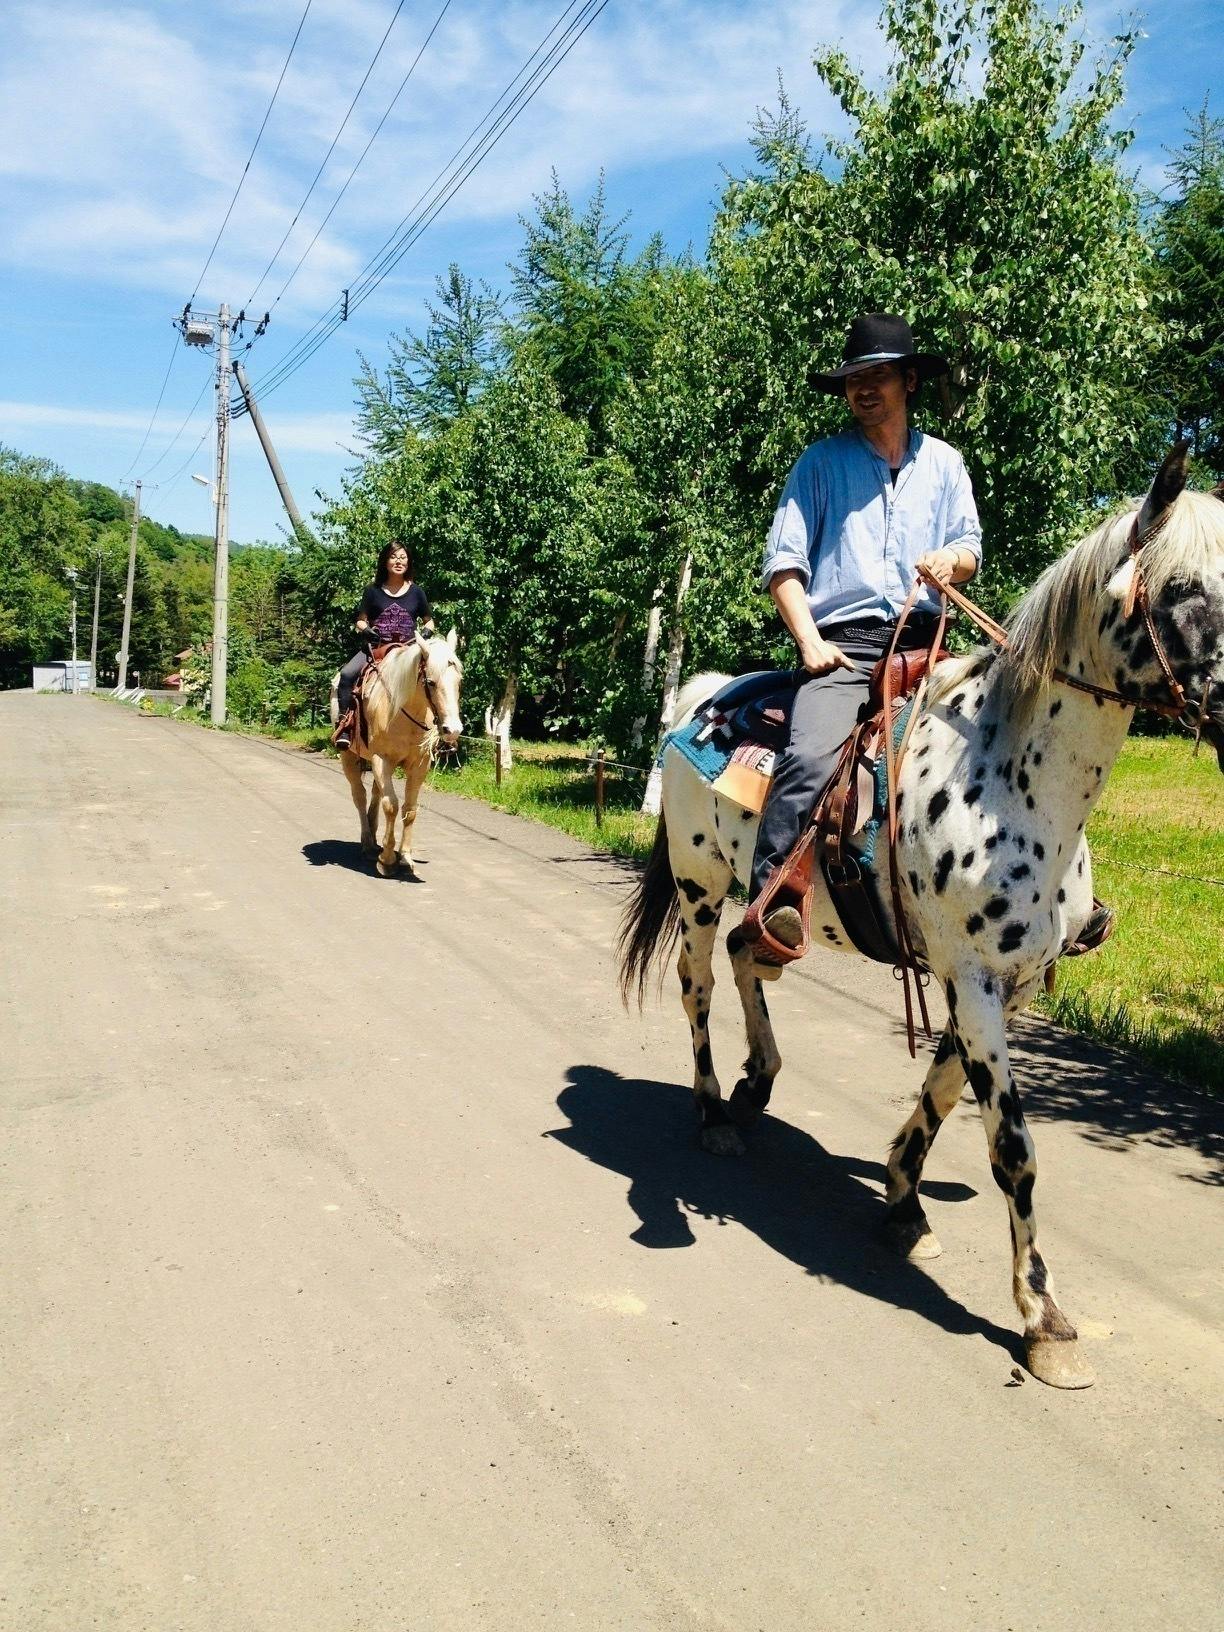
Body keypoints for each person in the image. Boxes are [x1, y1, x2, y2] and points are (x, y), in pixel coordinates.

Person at [741, 313, 982, 959]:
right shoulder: (819, 465)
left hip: (929, 642)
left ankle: (1053, 892)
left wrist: (949, 562)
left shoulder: (946, 464)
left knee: (1014, 727)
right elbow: (783, 566)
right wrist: (809, 644)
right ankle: (775, 906)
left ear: (908, 380)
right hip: (844, 646)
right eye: (853, 379)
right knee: (811, 758)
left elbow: (969, 548)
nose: (863, 388)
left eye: (877, 375)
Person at [334, 542, 434, 750]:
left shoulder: (417, 592)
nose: (398, 561)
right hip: (377, 649)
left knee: (438, 678)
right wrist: (365, 630)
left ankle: (442, 734)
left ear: (409, 562)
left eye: (403, 557)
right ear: (385, 561)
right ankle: (344, 726)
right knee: (346, 675)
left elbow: (429, 620)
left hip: (408, 651)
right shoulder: (372, 591)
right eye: (393, 557)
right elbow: (361, 620)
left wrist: (427, 632)